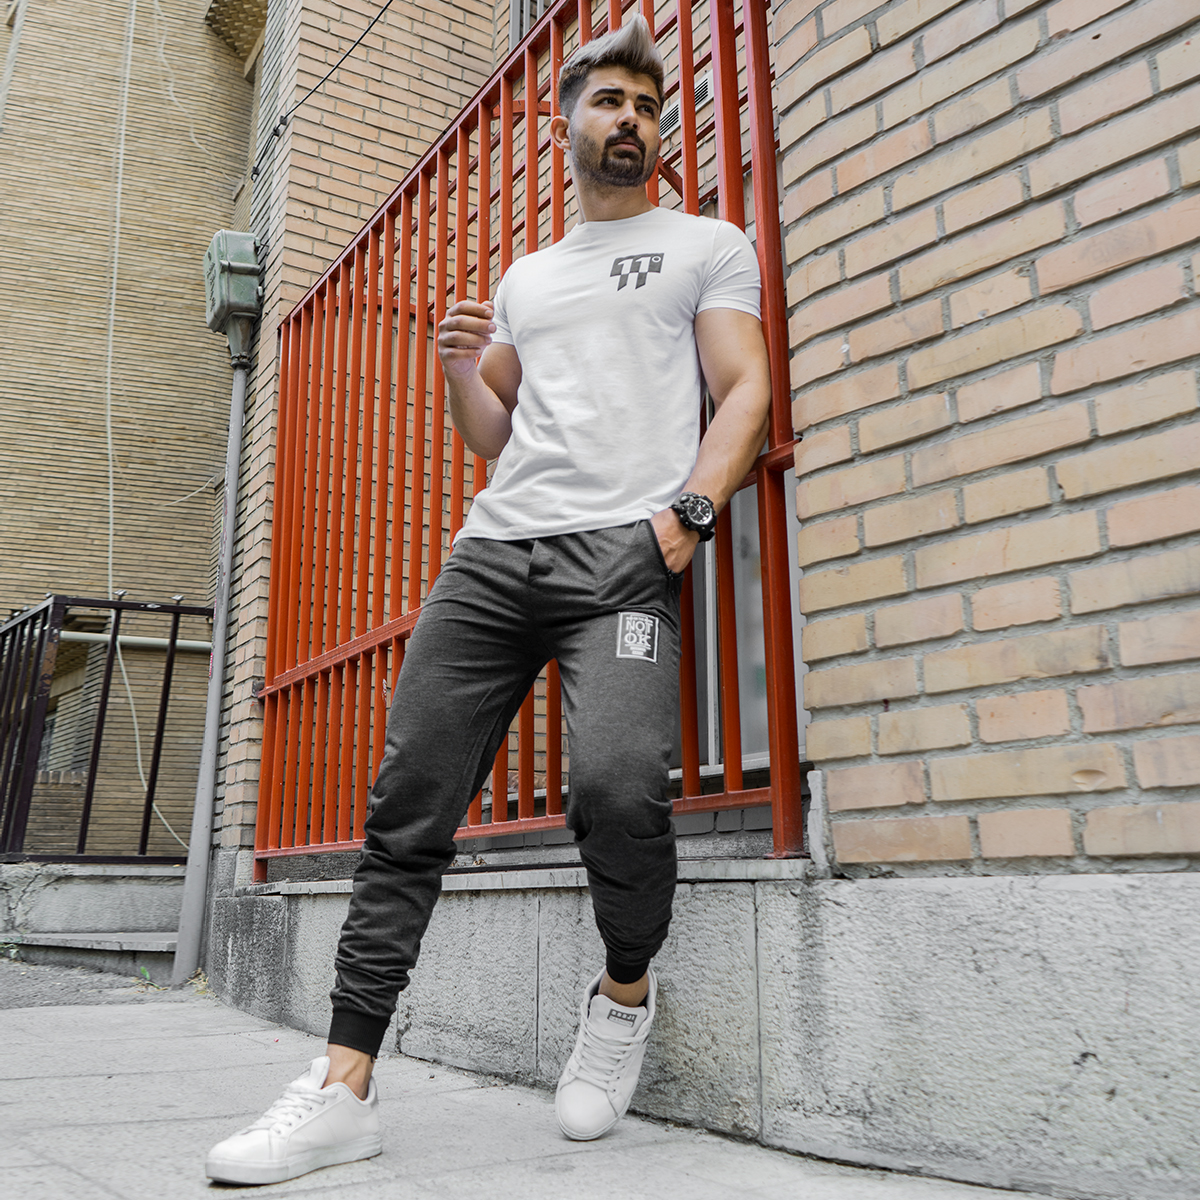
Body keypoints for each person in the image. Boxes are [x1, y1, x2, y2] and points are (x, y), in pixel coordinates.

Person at [204, 15, 770, 1185]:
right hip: (493, 559)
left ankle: (622, 997)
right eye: (608, 101)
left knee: (618, 788)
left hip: (622, 558)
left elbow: (746, 388)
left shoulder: (706, 245)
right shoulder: (528, 276)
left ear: (661, 133)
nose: (630, 119)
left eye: (647, 105)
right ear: (567, 125)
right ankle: (342, 1087)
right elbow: (492, 436)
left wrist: (686, 516)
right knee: (408, 803)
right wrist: (464, 364)